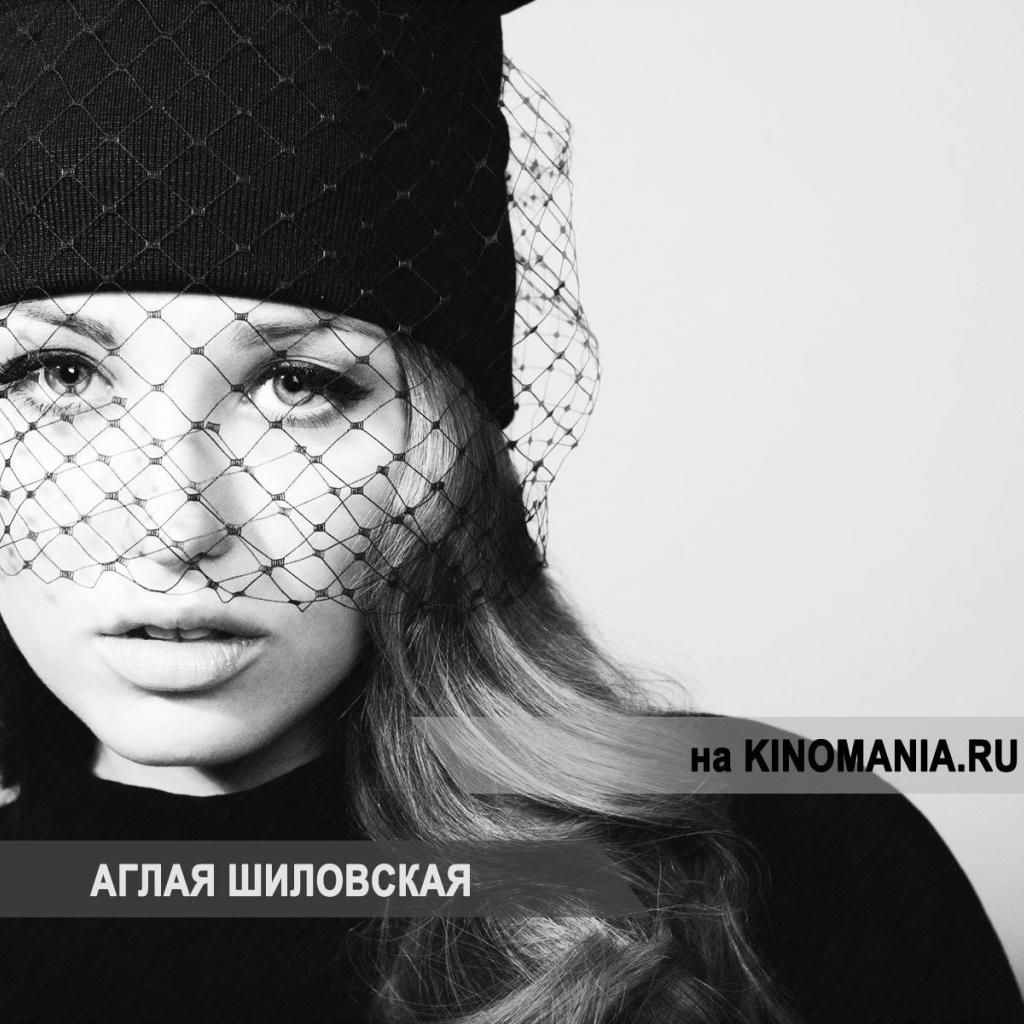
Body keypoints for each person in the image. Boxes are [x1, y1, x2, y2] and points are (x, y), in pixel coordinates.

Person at [0, 2, 1020, 1023]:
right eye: (56, 376)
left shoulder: (773, 848)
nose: (175, 526)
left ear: (451, 464)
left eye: (301, 386)